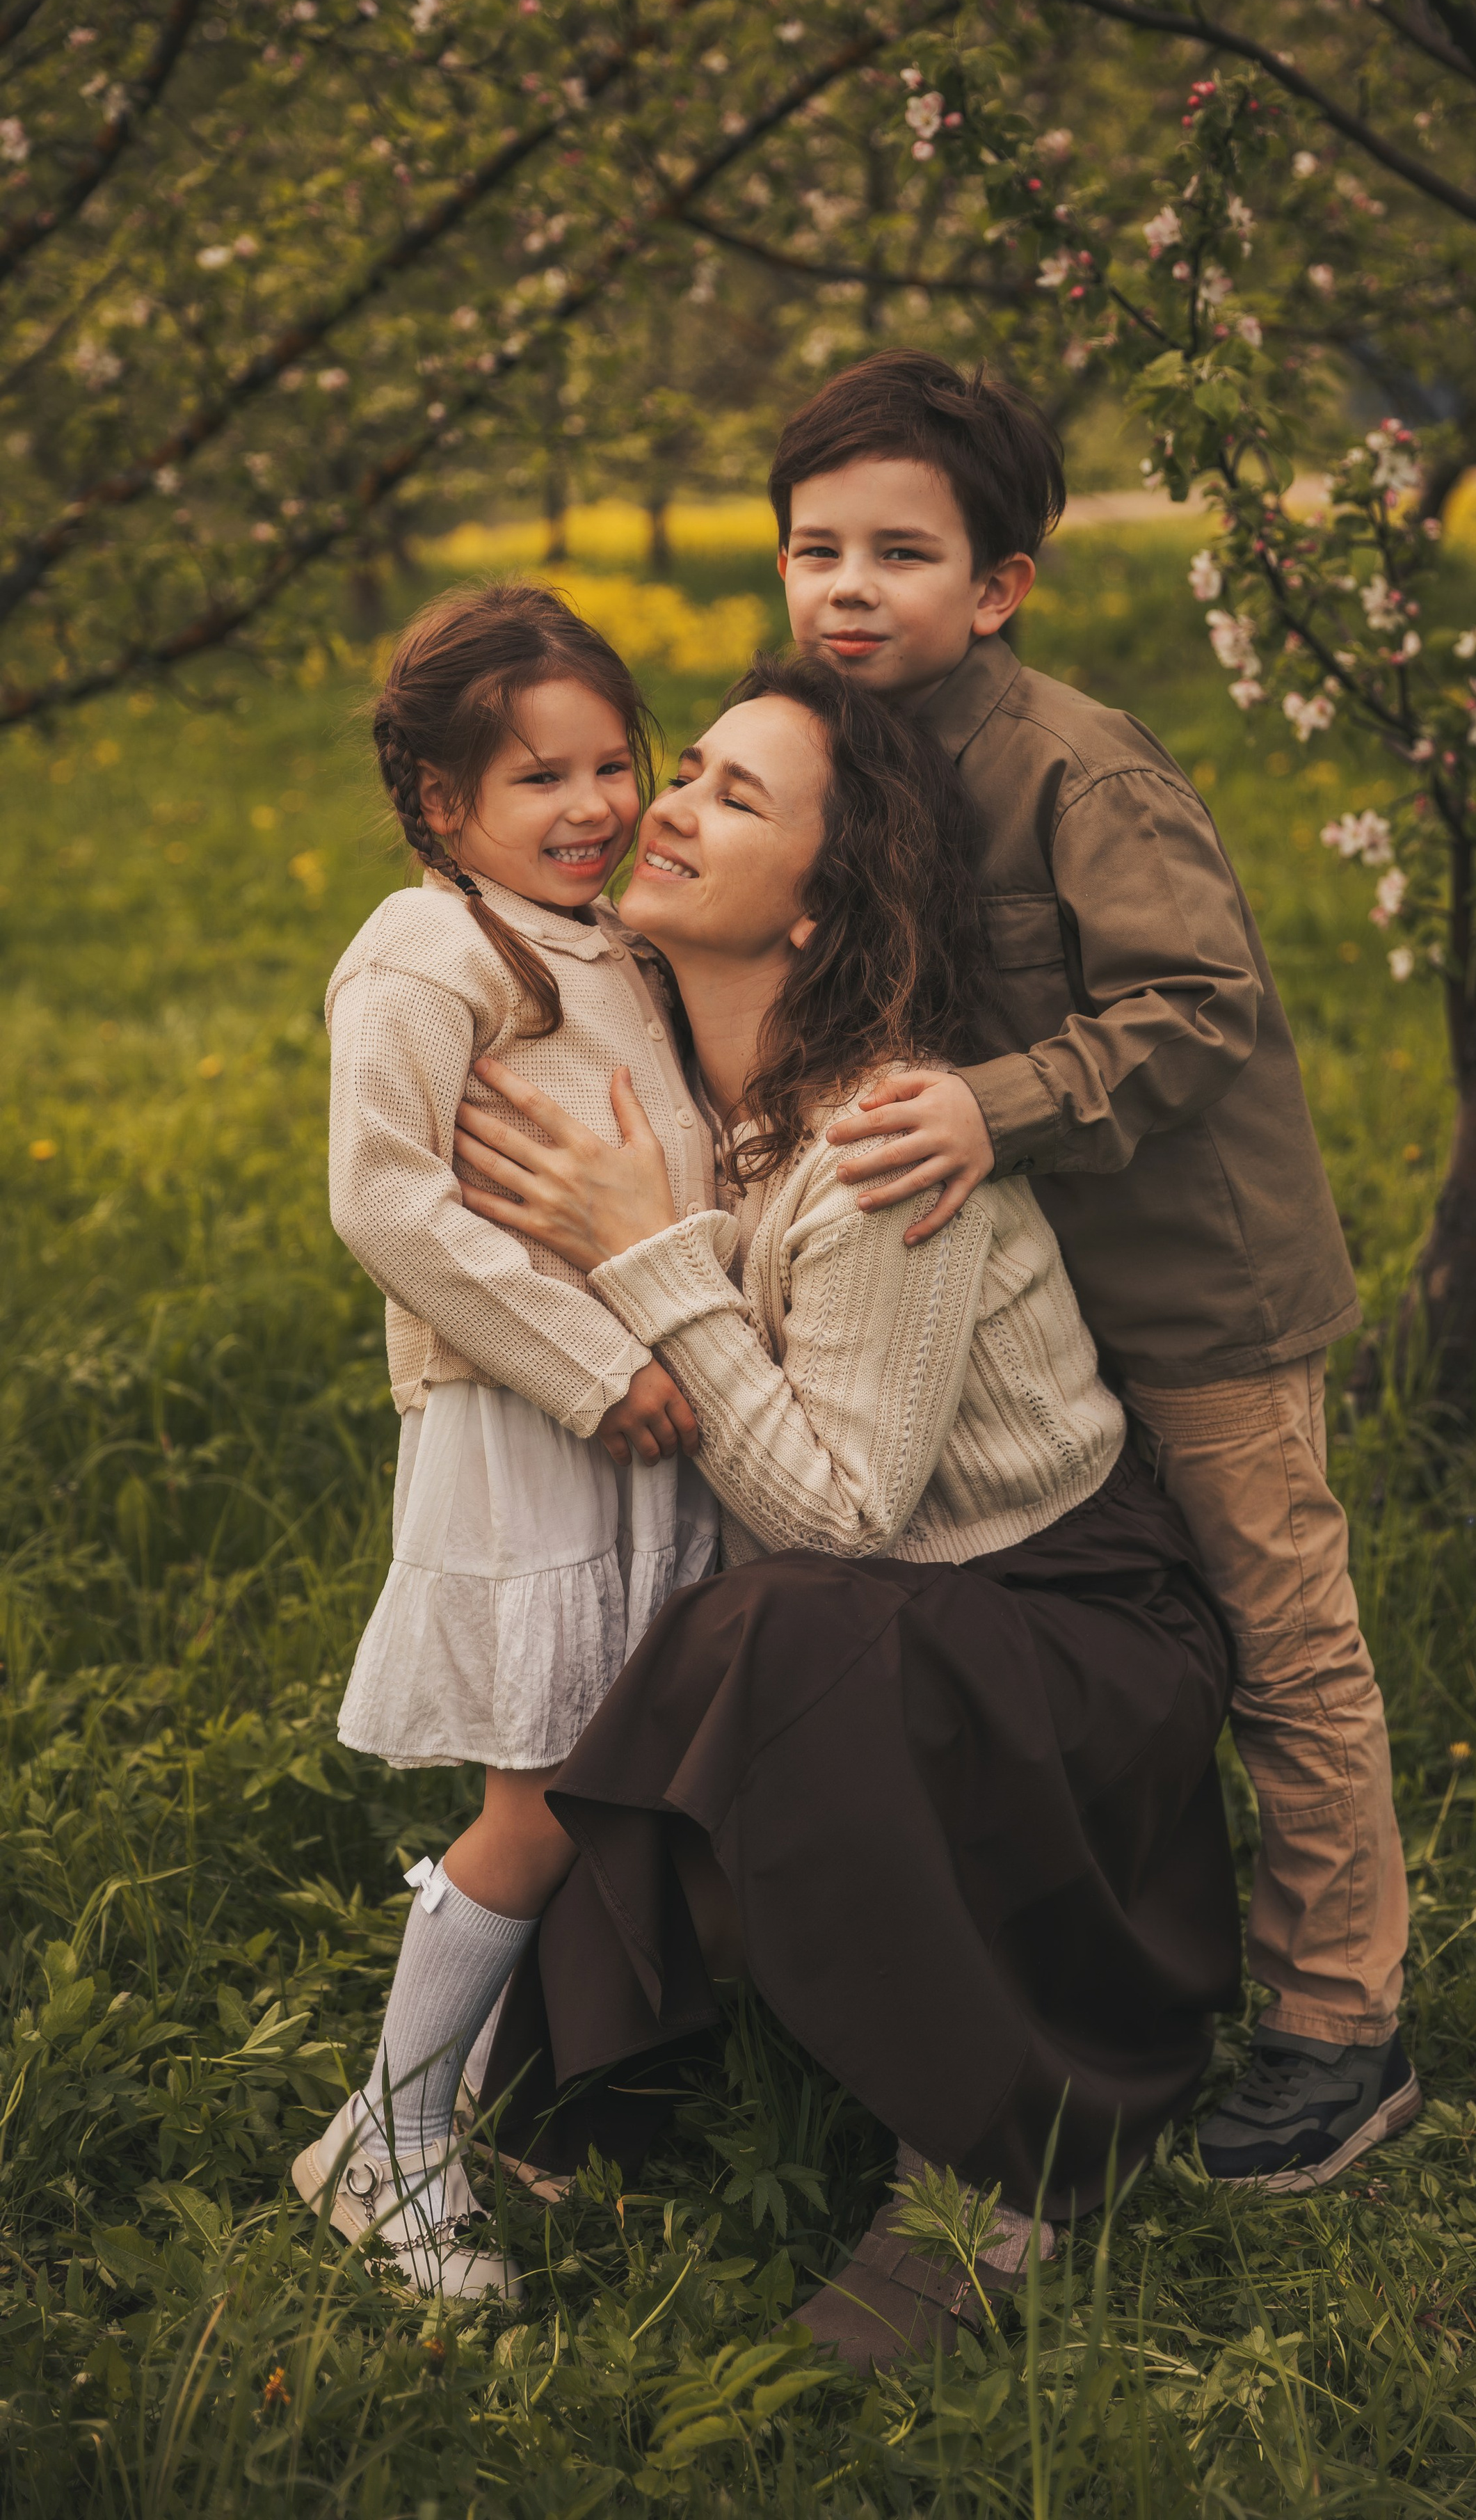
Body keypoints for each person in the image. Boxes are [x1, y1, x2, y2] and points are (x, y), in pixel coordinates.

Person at [451, 651, 1240, 2366]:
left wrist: (647, 1258)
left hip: (1072, 1639)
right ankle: (584, 2095)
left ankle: (993, 2163)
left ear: (819, 907)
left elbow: (840, 1516)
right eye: (688, 770)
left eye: (736, 798)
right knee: (726, 1625)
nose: (667, 807)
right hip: (912, 1620)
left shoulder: (879, 1142)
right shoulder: (685, 1096)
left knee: (777, 1622)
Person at [768, 351, 1418, 2192]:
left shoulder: (1073, 762)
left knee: (1280, 1641)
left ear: (998, 587)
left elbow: (1200, 1005)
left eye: (900, 554)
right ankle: (1126, 1969)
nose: (846, 591)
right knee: (1124, 1648)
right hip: (1022, 1321)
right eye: (815, 550)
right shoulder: (837, 750)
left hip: (1193, 1295)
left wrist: (993, 1105)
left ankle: (1341, 2022)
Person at [291, 582, 719, 2297]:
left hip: (640, 1412)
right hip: (530, 1420)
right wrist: (591, 1367)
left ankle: (455, 2102)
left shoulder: (609, 943)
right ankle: (388, 2143)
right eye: (540, 778)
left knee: (592, 1774)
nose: (594, 805)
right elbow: (385, 1200)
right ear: (438, 801)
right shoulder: (426, 952)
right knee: (537, 1793)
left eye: (613, 763)